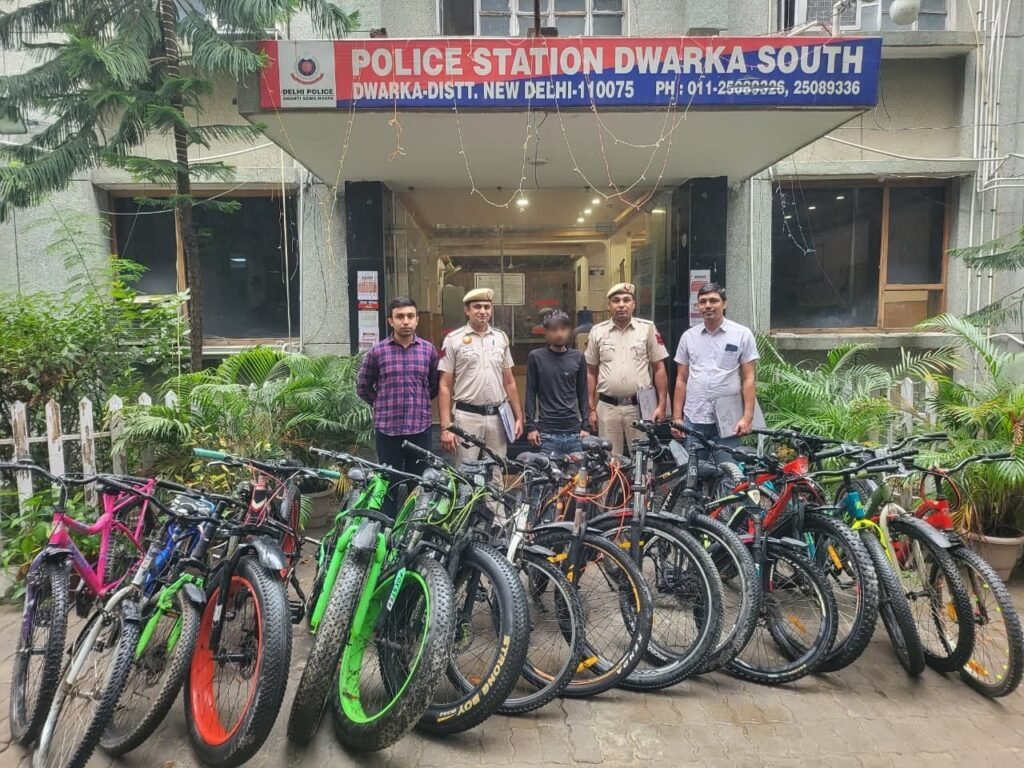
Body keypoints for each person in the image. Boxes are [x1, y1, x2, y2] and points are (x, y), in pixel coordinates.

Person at [356, 297, 440, 514]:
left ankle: (411, 527)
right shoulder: (378, 351)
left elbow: (433, 386)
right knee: (388, 485)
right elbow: (363, 386)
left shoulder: (428, 351)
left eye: (410, 316)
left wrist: (417, 402)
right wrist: (381, 403)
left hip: (419, 428)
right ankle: (386, 527)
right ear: (390, 321)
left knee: (419, 485)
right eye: (400, 316)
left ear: (417, 320)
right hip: (388, 430)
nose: (405, 321)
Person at [438, 288, 524, 467]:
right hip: (467, 417)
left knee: (497, 472)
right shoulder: (453, 339)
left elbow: (509, 381)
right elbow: (444, 385)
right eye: (477, 307)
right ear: (467, 310)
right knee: (465, 472)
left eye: (487, 307)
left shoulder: (501, 338)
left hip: (497, 418)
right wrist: (446, 427)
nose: (483, 311)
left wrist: (518, 417)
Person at [671, 282, 759, 452]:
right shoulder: (688, 337)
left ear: (724, 303)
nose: (707, 305)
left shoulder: (742, 334)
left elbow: (749, 378)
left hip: (729, 419)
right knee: (695, 467)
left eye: (713, 300)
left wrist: (748, 417)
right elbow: (681, 379)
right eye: (702, 301)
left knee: (728, 466)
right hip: (694, 418)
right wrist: (676, 417)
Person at [584, 282, 669, 456]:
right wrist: (590, 409)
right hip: (607, 408)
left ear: (633, 304)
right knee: (610, 461)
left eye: (626, 300)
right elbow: (590, 371)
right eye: (616, 300)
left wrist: (661, 405)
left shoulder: (647, 329)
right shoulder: (597, 332)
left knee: (642, 460)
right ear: (609, 306)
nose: (621, 305)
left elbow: (659, 368)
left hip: (639, 407)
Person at [524, 309, 588, 456]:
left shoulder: (578, 357)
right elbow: (530, 393)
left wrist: (585, 426)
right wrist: (531, 427)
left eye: (563, 329)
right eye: (554, 330)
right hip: (547, 433)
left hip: (574, 433)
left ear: (569, 331)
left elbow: (583, 393)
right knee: (549, 471)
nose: (559, 334)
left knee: (577, 471)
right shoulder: (536, 357)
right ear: (546, 332)